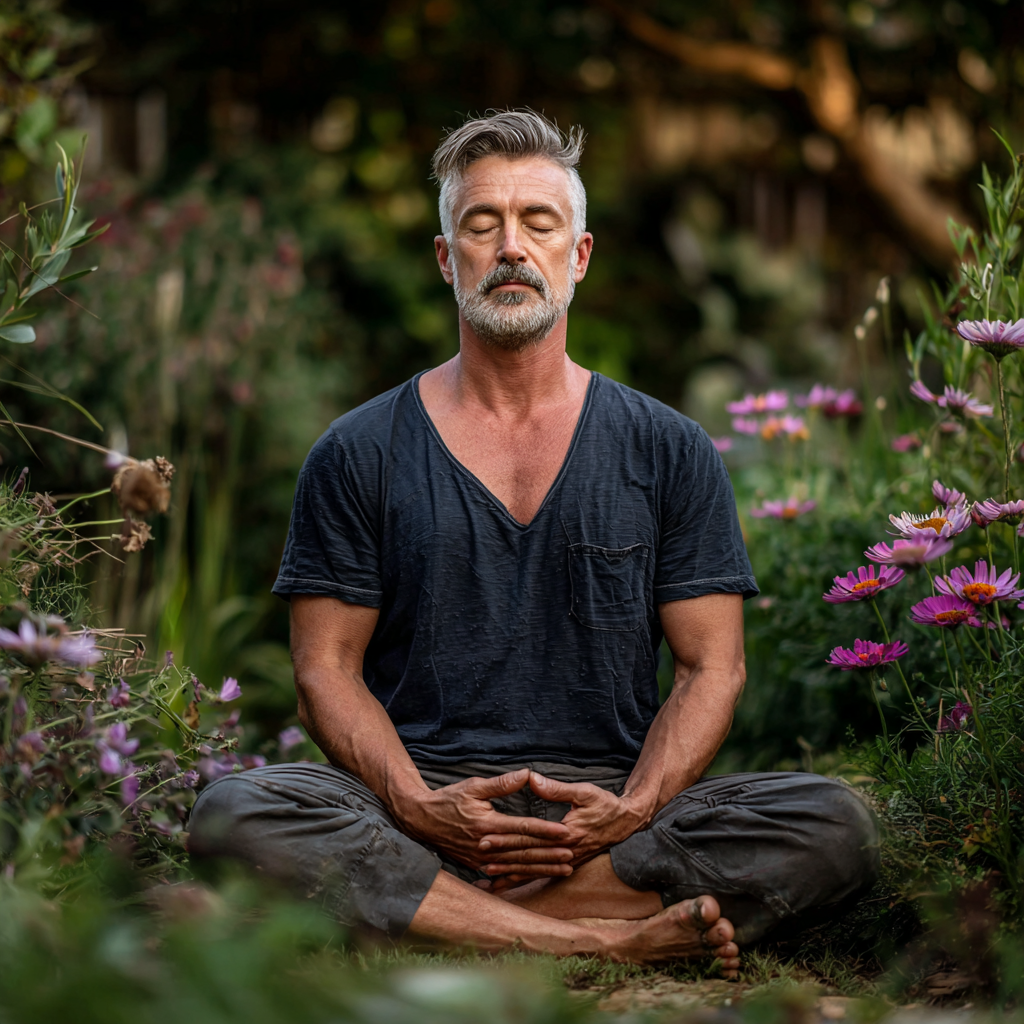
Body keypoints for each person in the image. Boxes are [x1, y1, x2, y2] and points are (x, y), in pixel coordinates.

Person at [188, 109, 878, 970]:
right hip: (418, 815)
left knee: (834, 825)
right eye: (482, 225)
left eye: (538, 223)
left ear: (578, 256)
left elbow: (714, 669)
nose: (511, 247)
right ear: (447, 259)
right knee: (234, 812)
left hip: (609, 824)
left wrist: (629, 812)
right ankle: (600, 940)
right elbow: (323, 670)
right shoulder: (358, 452)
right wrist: (417, 807)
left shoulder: (668, 449)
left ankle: (435, 918)